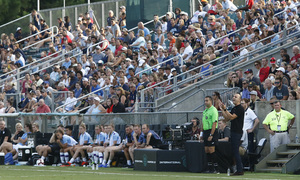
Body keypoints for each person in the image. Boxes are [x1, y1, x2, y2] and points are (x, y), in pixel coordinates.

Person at [219, 94, 244, 176]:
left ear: (240, 100)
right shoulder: (234, 108)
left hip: (237, 132)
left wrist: (225, 110)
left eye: (236, 97)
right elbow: (227, 118)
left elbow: (232, 117)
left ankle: (240, 169)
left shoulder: (240, 108)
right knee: (234, 151)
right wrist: (222, 110)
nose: (233, 98)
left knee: (236, 151)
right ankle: (238, 168)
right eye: (233, 96)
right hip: (233, 131)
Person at [202, 96, 219, 173]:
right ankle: (209, 168)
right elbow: (203, 123)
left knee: (211, 150)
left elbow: (214, 123)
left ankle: (216, 168)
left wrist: (211, 134)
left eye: (207, 101)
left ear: (211, 101)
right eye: (205, 101)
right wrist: (202, 134)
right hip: (205, 131)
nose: (205, 102)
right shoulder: (205, 111)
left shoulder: (214, 110)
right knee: (207, 150)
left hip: (211, 131)